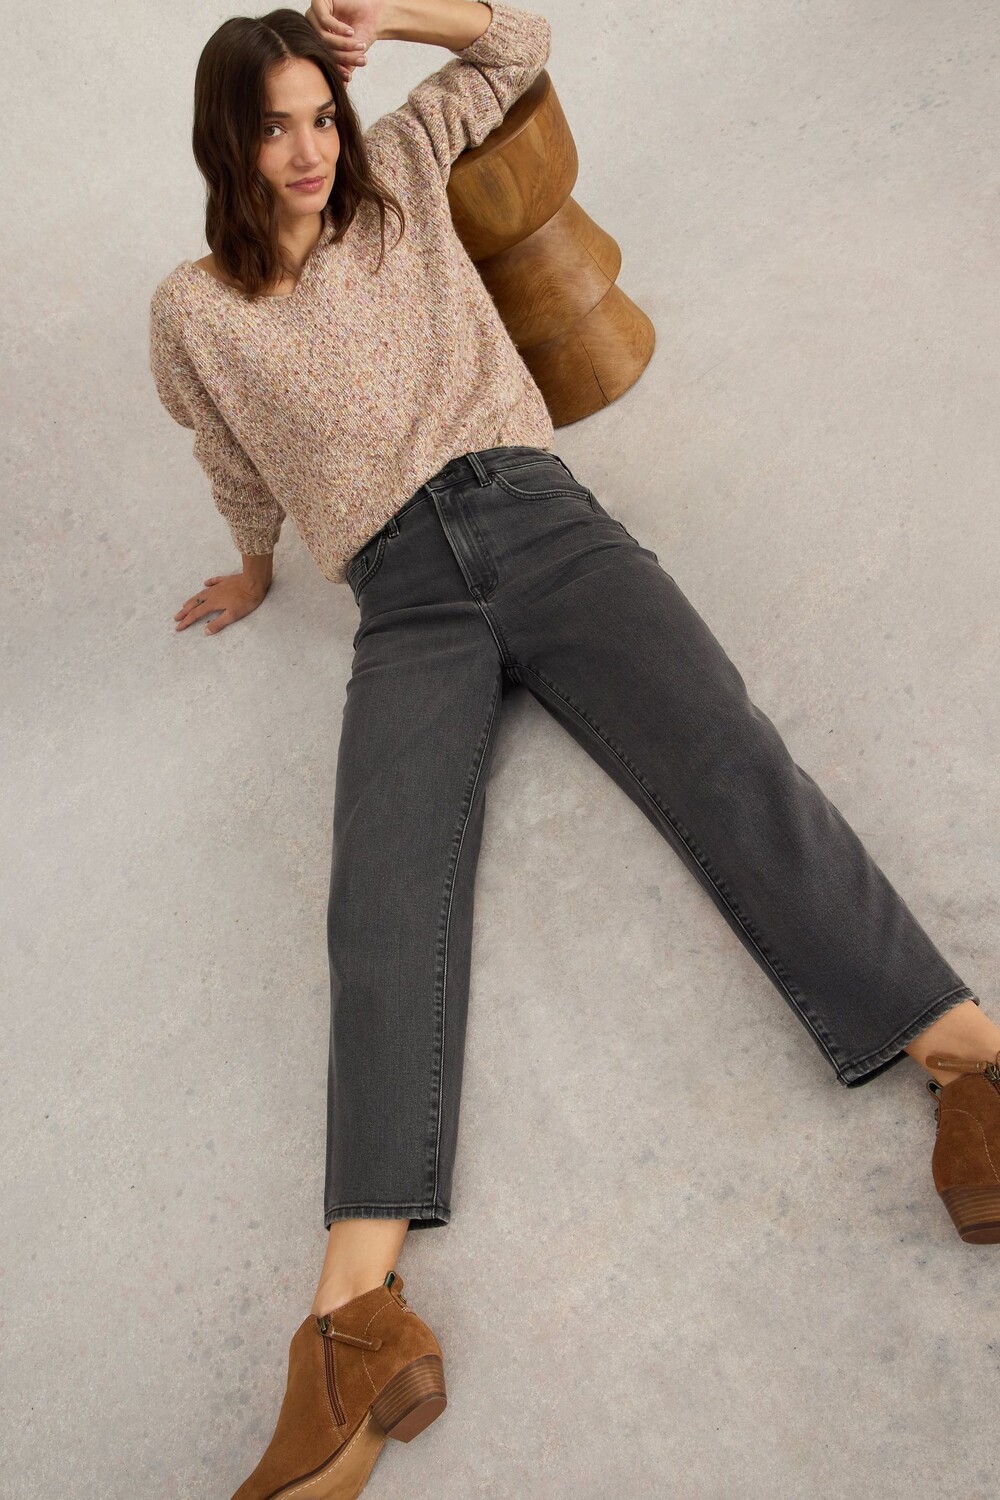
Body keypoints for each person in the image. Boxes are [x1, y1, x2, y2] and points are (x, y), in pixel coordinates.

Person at [147, 0, 1000, 1494]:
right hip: (403, 600)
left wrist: (390, 18)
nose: (309, 149)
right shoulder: (192, 310)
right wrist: (256, 569)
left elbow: (516, 48)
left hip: (541, 521)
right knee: (379, 903)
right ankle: (352, 1321)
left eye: (320, 114)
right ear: (226, 138)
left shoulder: (401, 173)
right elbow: (233, 456)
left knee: (728, 760)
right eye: (274, 125)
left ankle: (974, 1067)